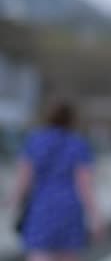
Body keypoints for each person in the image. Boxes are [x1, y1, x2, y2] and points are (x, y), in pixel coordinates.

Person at [8, 100, 104, 261]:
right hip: (69, 209)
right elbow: (85, 185)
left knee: (39, 254)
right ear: (72, 119)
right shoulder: (78, 144)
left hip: (41, 208)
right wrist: (96, 218)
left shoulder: (34, 141)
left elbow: (24, 179)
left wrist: (13, 201)